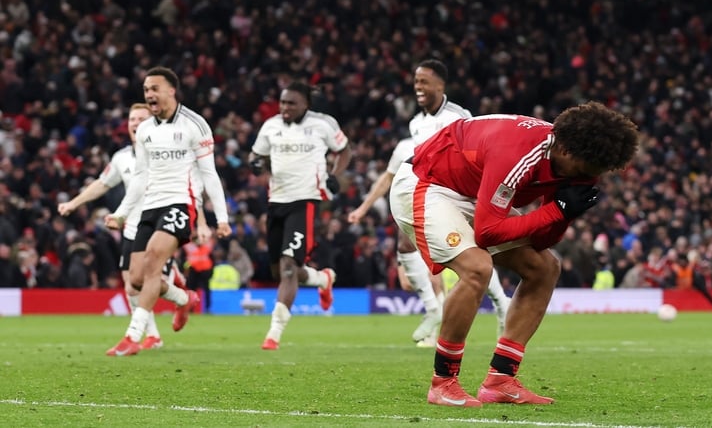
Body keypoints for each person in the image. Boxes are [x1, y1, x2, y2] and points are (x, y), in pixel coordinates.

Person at [390, 102, 639, 406]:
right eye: (587, 171)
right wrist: (557, 210)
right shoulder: (519, 151)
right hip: (426, 182)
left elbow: (542, 239)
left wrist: (562, 214)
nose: (589, 177)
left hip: (474, 192)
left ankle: (501, 380)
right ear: (565, 152)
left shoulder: (581, 163)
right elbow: (487, 233)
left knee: (544, 268)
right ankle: (443, 382)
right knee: (477, 268)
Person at [348, 59, 511, 347]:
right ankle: (434, 308)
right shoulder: (416, 124)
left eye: (423, 82)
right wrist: (362, 209)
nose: (418, 87)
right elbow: (395, 174)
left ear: (440, 85)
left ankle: (500, 304)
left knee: (471, 256)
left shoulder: (458, 115)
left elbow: (476, 151)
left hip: (457, 192)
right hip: (428, 191)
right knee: (405, 244)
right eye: (415, 82)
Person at [58, 103, 209, 350]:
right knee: (132, 286)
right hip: (132, 229)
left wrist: (201, 222)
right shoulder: (122, 158)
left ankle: (139, 335)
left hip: (162, 225)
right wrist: (73, 203)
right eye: (131, 119)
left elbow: (190, 190)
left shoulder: (169, 152)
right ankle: (179, 303)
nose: (135, 123)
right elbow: (102, 183)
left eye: (141, 118)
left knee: (148, 278)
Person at [104, 67, 231, 356]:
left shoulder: (194, 125)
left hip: (179, 204)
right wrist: (122, 213)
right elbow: (140, 176)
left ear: (171, 91)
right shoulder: (146, 130)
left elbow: (209, 174)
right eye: (146, 89)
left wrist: (221, 218)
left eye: (155, 89)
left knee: (153, 259)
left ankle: (132, 337)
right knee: (135, 280)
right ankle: (183, 298)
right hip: (149, 207)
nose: (149, 94)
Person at [249, 81, 352, 350]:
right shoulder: (270, 126)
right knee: (280, 271)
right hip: (276, 201)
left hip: (305, 200)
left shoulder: (323, 124)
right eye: (283, 102)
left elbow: (345, 150)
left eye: (291, 103)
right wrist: (255, 163)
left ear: (305, 104)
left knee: (287, 268)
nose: (285, 108)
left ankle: (274, 332)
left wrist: (335, 175)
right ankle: (321, 279)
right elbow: (256, 155)